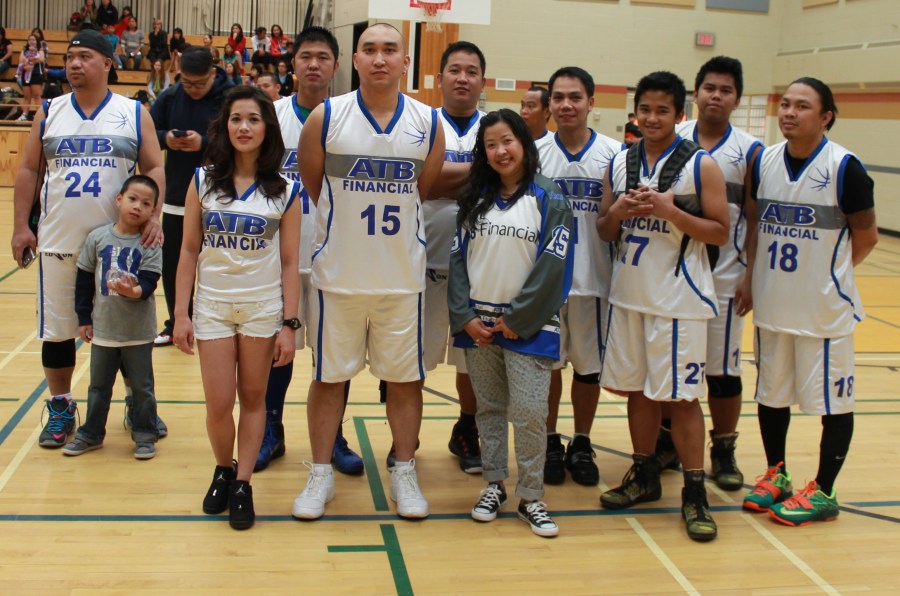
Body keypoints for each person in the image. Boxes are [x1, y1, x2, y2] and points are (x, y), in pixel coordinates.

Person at [291, 23, 445, 521]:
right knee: (328, 379)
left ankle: (405, 471)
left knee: (405, 381)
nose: (380, 58)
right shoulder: (327, 116)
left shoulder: (429, 121)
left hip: (401, 279)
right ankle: (320, 474)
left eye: (390, 50)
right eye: (370, 50)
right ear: (355, 60)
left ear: (405, 61)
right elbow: (315, 186)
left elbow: (423, 189)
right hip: (338, 278)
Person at [9, 29, 165, 448]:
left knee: (126, 332)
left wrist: (153, 217)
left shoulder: (133, 112)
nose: (74, 63)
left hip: (119, 246)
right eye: (70, 57)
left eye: (85, 56)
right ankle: (61, 407)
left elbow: (154, 167)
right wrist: (21, 225)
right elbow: (29, 170)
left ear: (108, 63)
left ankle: (137, 405)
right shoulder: (49, 110)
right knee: (57, 331)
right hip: (59, 242)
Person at [596, 71, 728, 542]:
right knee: (638, 391)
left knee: (682, 398)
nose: (652, 118)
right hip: (629, 295)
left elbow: (720, 232)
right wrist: (619, 211)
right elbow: (604, 229)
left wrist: (669, 210)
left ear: (679, 114)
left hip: (678, 301)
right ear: (635, 112)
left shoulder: (702, 165)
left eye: (662, 111)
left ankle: (695, 491)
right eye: (645, 110)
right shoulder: (619, 161)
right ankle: (645, 474)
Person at [742, 77, 877, 526]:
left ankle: (824, 490)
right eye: (785, 104)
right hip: (773, 306)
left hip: (824, 313)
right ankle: (776, 473)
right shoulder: (764, 161)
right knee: (771, 394)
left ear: (826, 117)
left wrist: (827, 276)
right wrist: (751, 277)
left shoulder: (845, 168)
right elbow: (756, 224)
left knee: (833, 405)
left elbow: (867, 236)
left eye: (802, 106)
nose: (789, 112)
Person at [173, 85, 301, 530]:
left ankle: (243, 483)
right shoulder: (202, 180)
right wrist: (181, 313)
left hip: (262, 307)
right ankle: (223, 468)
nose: (244, 127)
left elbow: (290, 261)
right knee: (218, 403)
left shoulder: (286, 190)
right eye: (236, 119)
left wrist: (289, 323)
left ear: (267, 128)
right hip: (212, 305)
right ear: (224, 127)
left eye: (253, 119)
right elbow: (188, 250)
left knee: (253, 398)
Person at [449, 108, 572, 537]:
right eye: (491, 145)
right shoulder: (474, 198)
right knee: (489, 409)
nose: (500, 151)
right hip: (480, 327)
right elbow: (457, 260)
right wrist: (464, 317)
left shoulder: (550, 197)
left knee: (531, 412)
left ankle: (532, 496)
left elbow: (554, 266)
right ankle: (494, 484)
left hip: (529, 327)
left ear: (524, 143)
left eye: (507, 141)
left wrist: (519, 318)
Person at [653, 56, 763, 491]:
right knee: (668, 366)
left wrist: (751, 274)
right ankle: (666, 442)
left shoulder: (750, 150)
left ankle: (724, 447)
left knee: (721, 371)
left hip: (725, 279)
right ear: (695, 94)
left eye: (726, 90)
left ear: (737, 99)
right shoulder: (672, 138)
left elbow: (753, 216)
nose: (716, 96)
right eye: (709, 88)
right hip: (673, 275)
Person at [258, 26, 363, 475]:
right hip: (277, 257)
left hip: (334, 255)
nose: (314, 64)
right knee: (275, 351)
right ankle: (270, 429)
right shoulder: (269, 116)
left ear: (336, 65)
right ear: (292, 64)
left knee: (333, 355)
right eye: (306, 56)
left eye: (323, 57)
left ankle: (332, 434)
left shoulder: (350, 118)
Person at [539, 66, 623, 486]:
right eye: (558, 97)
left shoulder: (616, 155)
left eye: (575, 97)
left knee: (588, 370)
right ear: (549, 103)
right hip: (546, 284)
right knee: (549, 367)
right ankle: (550, 440)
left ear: (591, 102)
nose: (566, 105)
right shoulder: (534, 153)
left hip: (596, 280)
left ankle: (583, 441)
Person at [418, 41, 486, 474]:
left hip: (478, 267)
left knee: (471, 359)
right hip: (421, 260)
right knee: (413, 359)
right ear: (439, 77)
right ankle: (405, 436)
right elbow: (418, 183)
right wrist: (480, 175)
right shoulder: (420, 123)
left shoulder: (496, 127)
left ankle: (466, 429)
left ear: (482, 80)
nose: (463, 78)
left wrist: (439, 179)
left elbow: (503, 181)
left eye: (471, 71)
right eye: (455, 70)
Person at [62, 175, 162, 459]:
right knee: (98, 387)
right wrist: (84, 318)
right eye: (132, 199)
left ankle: (145, 434)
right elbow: (84, 280)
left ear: (153, 211)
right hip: (104, 331)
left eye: (146, 204)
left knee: (142, 388)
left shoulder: (150, 243)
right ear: (119, 200)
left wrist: (132, 291)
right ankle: (91, 434)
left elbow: (149, 283)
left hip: (138, 332)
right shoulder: (97, 238)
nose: (137, 206)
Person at [150, 46, 233, 347]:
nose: (193, 89)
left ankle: (218, 321)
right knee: (172, 264)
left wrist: (204, 143)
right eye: (187, 82)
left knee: (219, 262)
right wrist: (166, 138)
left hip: (221, 196)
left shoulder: (230, 97)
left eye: (199, 83)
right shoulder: (171, 96)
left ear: (212, 73)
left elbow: (241, 139)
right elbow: (148, 130)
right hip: (176, 194)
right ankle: (176, 323)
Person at [15, 35, 46, 121]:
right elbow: (21, 61)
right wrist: (30, 61)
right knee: (26, 96)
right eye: (30, 39)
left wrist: (28, 60)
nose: (31, 41)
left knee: (36, 95)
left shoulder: (40, 50)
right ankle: (25, 114)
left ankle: (40, 115)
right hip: (25, 74)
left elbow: (40, 59)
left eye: (33, 39)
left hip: (36, 73)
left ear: (37, 41)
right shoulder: (24, 50)